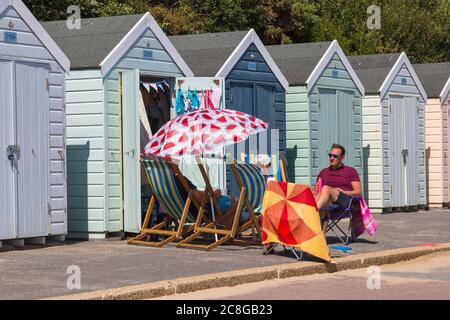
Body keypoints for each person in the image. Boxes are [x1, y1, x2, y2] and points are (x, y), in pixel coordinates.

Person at [312, 144, 362, 236]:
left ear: (342, 158)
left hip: (344, 201)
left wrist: (343, 191)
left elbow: (358, 192)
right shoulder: (323, 172)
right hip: (326, 202)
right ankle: (321, 238)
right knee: (311, 193)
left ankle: (311, 213)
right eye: (330, 155)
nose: (331, 158)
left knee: (326, 188)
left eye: (335, 156)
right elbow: (315, 190)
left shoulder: (350, 171)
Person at [171, 165, 238, 229]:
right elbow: (200, 198)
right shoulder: (181, 180)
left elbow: (196, 195)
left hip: (178, 212)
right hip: (198, 211)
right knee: (233, 202)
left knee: (226, 201)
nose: (177, 164)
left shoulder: (167, 184)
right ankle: (223, 228)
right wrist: (215, 194)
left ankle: (219, 227)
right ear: (173, 168)